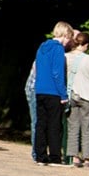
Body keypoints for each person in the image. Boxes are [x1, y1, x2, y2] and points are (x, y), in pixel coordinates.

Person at [32, 21, 71, 166]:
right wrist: (63, 95)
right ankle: (55, 156)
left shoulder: (42, 47)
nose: (68, 42)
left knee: (41, 123)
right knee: (55, 125)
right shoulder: (58, 49)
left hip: (40, 90)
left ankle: (40, 155)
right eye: (68, 38)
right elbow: (57, 73)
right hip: (53, 91)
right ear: (65, 35)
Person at [66, 31, 89, 168]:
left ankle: (74, 157)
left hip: (73, 95)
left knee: (73, 127)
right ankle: (86, 159)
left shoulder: (66, 57)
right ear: (86, 45)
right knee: (87, 128)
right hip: (88, 96)